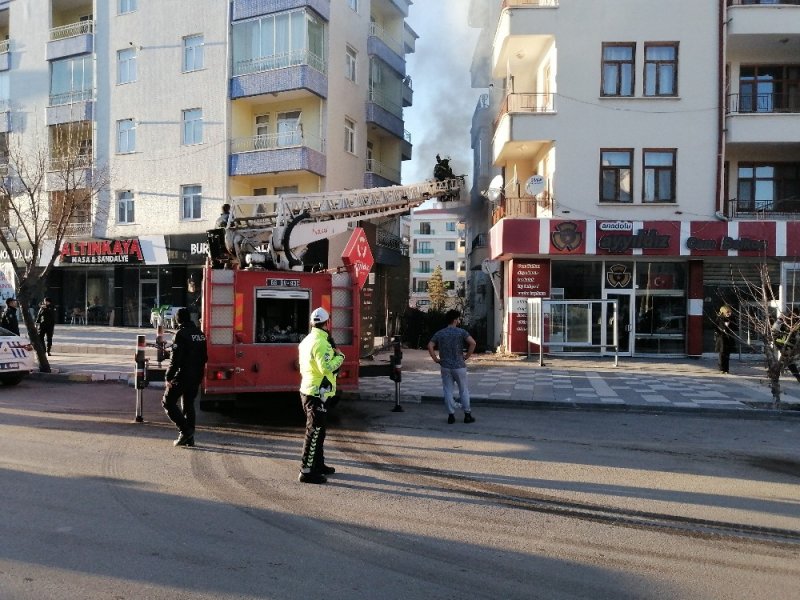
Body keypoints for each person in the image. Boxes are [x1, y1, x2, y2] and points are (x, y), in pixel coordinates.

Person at [297, 307, 345, 484]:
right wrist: (340, 357)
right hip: (317, 393)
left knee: (319, 431)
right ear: (328, 323)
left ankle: (318, 465)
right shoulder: (322, 343)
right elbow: (326, 368)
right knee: (314, 432)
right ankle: (306, 471)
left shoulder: (307, 340)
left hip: (309, 390)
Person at [162, 307, 208, 447]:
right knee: (188, 403)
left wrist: (168, 377)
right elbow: (205, 357)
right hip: (197, 374)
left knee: (168, 401)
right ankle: (189, 437)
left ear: (178, 320)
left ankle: (185, 431)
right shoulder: (200, 334)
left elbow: (175, 360)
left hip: (184, 374)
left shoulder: (180, 334)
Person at [428, 309, 477, 424]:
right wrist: (467, 356)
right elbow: (473, 343)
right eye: (458, 319)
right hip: (459, 366)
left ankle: (451, 416)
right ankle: (467, 415)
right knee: (463, 390)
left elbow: (430, 345)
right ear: (455, 320)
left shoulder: (440, 333)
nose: (459, 320)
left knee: (448, 390)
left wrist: (435, 359)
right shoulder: (461, 332)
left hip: (445, 366)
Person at [773, 311, 800, 383]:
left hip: (789, 344)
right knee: (788, 360)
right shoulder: (781, 324)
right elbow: (775, 333)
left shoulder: (793, 324)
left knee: (789, 361)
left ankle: (796, 375)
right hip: (785, 344)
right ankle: (796, 375)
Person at [715, 305, 736, 374]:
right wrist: (722, 329)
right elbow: (716, 328)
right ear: (723, 312)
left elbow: (735, 327)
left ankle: (726, 369)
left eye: (730, 312)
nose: (729, 313)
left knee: (727, 354)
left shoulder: (732, 319)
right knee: (722, 354)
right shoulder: (719, 318)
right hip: (722, 339)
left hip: (729, 339)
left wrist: (729, 326)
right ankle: (721, 369)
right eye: (727, 312)